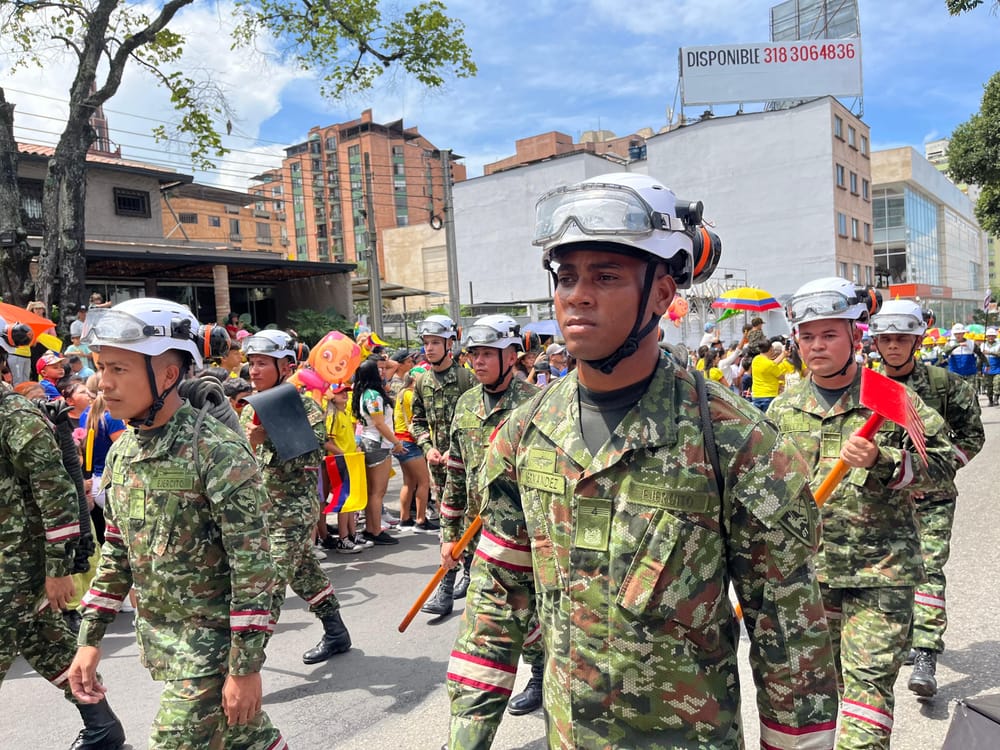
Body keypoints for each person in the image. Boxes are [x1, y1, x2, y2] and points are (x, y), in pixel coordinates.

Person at [448, 172, 839, 749]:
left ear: (661, 293)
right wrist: (465, 739)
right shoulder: (525, 432)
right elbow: (495, 598)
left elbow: (790, 638)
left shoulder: (734, 441)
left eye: (606, 276)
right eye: (567, 276)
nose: (577, 294)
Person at [68, 298, 287, 749]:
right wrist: (89, 639)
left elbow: (256, 569)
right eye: (100, 367)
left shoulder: (216, 451)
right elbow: (116, 550)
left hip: (214, 648)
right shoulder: (124, 453)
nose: (103, 384)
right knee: (247, 740)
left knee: (175, 741)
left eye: (119, 369)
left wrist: (245, 667)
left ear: (168, 375)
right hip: (168, 644)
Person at [769, 278, 959, 749]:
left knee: (867, 690)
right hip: (811, 575)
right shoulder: (782, 409)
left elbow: (944, 464)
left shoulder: (891, 398)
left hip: (881, 574)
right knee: (819, 691)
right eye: (807, 335)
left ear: (855, 337)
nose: (816, 345)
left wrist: (884, 462)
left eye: (829, 335)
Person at [0, 320, 126, 750]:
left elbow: (57, 492)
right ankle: (102, 726)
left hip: (17, 567)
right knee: (49, 647)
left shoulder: (15, 418)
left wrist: (59, 569)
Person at [869, 300, 984, 698]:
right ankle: (900, 640)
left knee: (928, 571)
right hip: (882, 500)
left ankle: (925, 654)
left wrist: (939, 466)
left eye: (902, 338)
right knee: (888, 574)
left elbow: (972, 435)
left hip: (931, 499)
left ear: (917, 340)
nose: (894, 346)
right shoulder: (864, 386)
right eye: (886, 339)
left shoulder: (945, 385)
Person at [240, 329, 352, 664]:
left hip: (293, 508)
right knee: (304, 572)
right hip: (263, 509)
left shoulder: (302, 406)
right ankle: (336, 632)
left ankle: (246, 662)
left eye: (263, 363)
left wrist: (269, 438)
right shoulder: (248, 408)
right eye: (252, 364)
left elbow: (313, 455)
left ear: (285, 367)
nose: (254, 370)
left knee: (271, 579)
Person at [410, 315, 476, 522]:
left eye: (435, 342)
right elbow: (417, 422)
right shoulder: (422, 382)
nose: (429, 348)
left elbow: (478, 425)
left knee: (470, 523)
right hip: (438, 469)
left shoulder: (467, 379)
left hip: (467, 467)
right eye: (426, 343)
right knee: (447, 525)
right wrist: (427, 448)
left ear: (449, 343)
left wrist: (456, 451)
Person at [352, 357, 406, 545]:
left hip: (372, 442)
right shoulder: (373, 395)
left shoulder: (366, 393)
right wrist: (396, 442)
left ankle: (372, 528)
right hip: (378, 444)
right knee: (377, 492)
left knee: (373, 492)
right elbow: (380, 424)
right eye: (379, 369)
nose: (384, 371)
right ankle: (374, 530)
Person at [392, 366, 435, 531]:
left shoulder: (402, 393)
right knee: (424, 482)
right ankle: (420, 520)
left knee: (409, 483)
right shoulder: (410, 395)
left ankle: (405, 519)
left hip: (401, 440)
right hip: (410, 442)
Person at [750, 339, 789, 412]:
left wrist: (783, 354)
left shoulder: (755, 359)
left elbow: (772, 364)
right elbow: (782, 377)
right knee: (769, 421)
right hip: (768, 396)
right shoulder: (770, 365)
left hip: (756, 395)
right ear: (771, 349)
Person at [981, 327, 1000, 406]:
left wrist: (990, 352)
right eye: (989, 336)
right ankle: (990, 400)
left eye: (992, 336)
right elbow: (981, 357)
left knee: (997, 383)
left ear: (995, 336)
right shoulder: (983, 345)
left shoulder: (999, 344)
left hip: (997, 368)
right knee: (989, 386)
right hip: (987, 368)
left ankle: (996, 399)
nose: (990, 337)